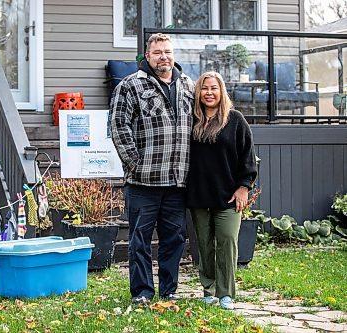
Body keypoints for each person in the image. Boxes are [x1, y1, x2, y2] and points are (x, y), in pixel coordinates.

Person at [109, 33, 195, 305]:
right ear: (147, 56)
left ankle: (169, 290)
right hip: (142, 183)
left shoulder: (188, 85)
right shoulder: (130, 85)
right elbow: (118, 126)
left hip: (177, 181)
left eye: (167, 51)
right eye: (157, 52)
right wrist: (134, 163)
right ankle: (143, 292)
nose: (163, 57)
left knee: (174, 240)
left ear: (173, 54)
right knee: (139, 241)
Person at [187, 71, 257, 310]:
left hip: (228, 195)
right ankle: (208, 288)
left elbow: (248, 157)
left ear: (221, 91)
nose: (209, 93)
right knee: (204, 244)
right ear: (198, 92)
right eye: (204, 88)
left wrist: (244, 187)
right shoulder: (191, 120)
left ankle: (226, 292)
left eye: (213, 88)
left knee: (227, 240)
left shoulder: (235, 120)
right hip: (198, 195)